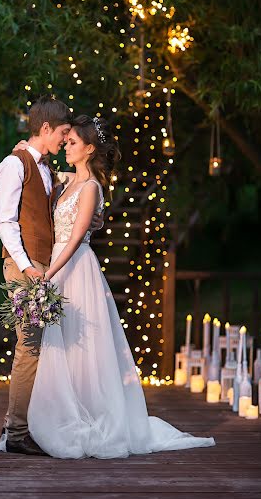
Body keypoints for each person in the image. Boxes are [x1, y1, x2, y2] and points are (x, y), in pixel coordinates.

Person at [26, 114, 215, 458]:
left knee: (83, 345)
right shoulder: (67, 181)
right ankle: (63, 412)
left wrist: (48, 275)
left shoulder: (91, 188)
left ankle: (93, 414)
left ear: (89, 149)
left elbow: (76, 238)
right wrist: (25, 147)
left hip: (74, 268)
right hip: (57, 266)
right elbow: (43, 169)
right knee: (61, 344)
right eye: (64, 141)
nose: (65, 145)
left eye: (71, 143)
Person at [0, 96, 102, 456]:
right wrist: (25, 266)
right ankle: (17, 432)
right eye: (63, 134)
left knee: (42, 346)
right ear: (45, 129)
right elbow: (5, 222)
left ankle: (35, 424)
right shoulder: (15, 163)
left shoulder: (44, 168)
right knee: (30, 345)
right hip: (25, 266)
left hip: (44, 267)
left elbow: (80, 182)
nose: (64, 141)